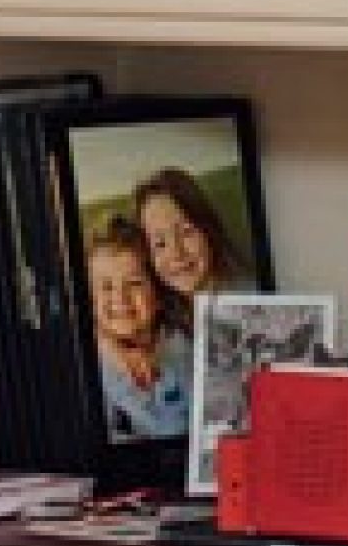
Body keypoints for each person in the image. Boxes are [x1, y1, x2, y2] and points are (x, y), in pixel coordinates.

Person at [83, 218, 191, 441]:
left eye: (134, 283)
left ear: (159, 294)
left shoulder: (185, 345)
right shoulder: (91, 364)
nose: (120, 298)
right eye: (105, 287)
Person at [131, 167, 256, 305]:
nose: (176, 253)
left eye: (186, 232)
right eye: (160, 243)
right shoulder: (172, 308)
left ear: (208, 229)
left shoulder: (249, 299)